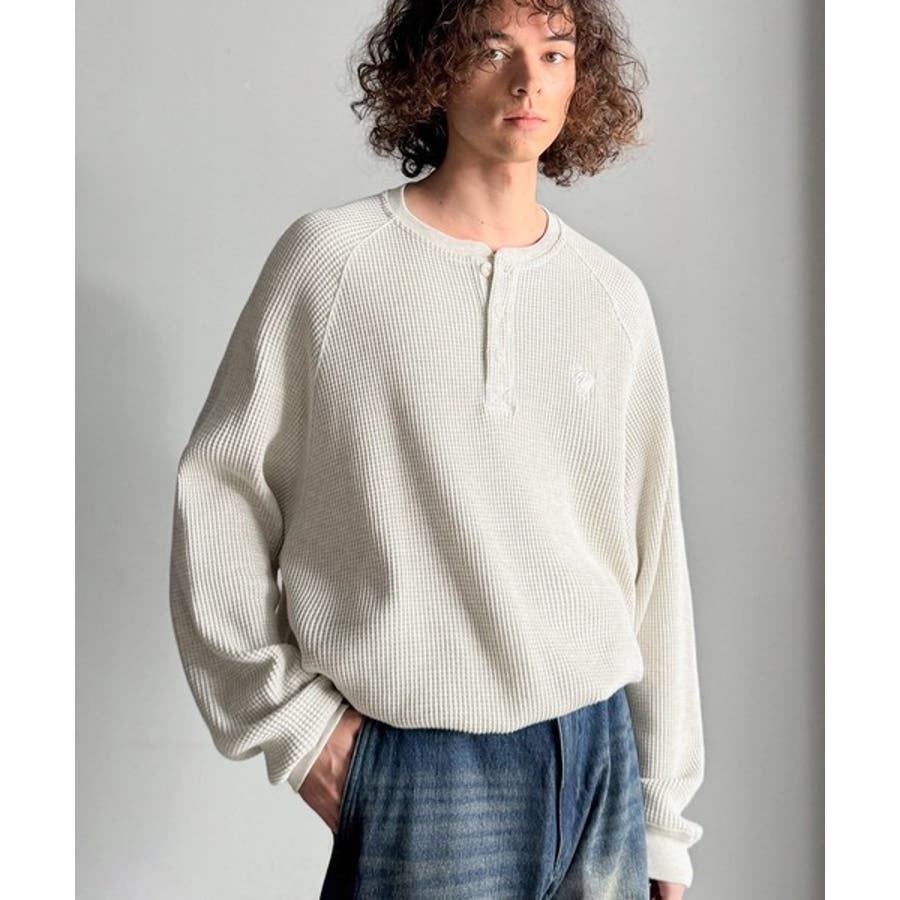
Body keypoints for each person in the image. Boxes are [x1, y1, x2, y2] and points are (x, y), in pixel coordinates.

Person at [168, 0, 705, 897]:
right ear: (434, 67)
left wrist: (662, 814)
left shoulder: (612, 298)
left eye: (555, 53)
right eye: (493, 49)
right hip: (425, 771)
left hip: (600, 758)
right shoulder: (333, 265)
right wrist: (298, 730)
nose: (529, 81)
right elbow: (220, 494)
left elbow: (654, 561)